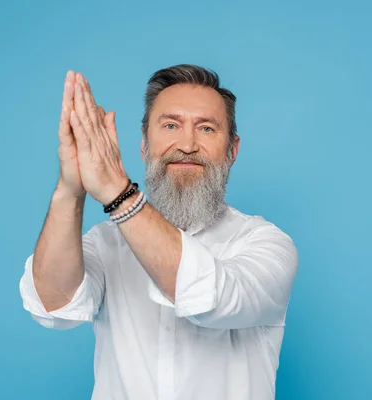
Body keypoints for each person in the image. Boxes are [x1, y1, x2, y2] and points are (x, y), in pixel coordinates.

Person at [19, 64, 298, 400]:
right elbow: (52, 303)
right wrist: (70, 187)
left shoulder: (266, 244)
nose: (187, 144)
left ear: (232, 150)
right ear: (143, 144)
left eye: (207, 129)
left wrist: (117, 193)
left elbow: (211, 296)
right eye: (170, 125)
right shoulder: (106, 242)